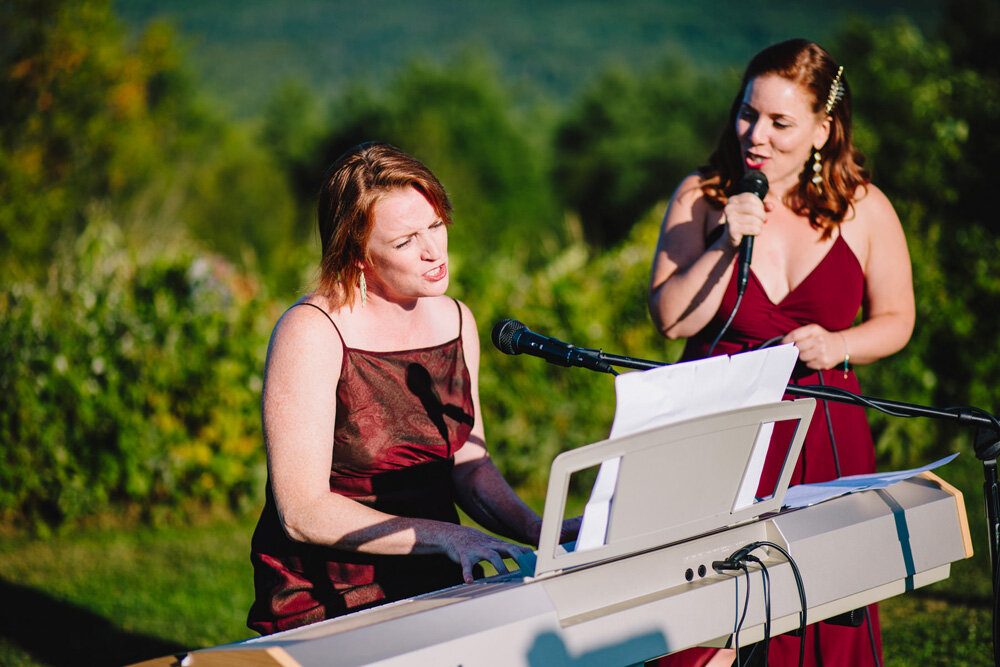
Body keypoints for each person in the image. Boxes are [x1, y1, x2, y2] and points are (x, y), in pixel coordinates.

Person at [647, 40, 914, 666]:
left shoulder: (865, 208)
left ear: (823, 130)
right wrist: (723, 241)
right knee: (703, 619)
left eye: (779, 122)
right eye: (747, 113)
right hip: (720, 426)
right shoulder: (702, 196)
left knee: (820, 607)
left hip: (823, 427)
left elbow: (898, 320)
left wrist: (841, 343)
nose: (755, 135)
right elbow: (669, 318)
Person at [247, 142, 576, 634]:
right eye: (404, 242)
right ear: (358, 255)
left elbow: (467, 462)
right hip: (331, 592)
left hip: (438, 574)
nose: (433, 251)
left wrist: (539, 530)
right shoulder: (312, 331)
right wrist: (448, 536)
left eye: (436, 226)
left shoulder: (455, 318)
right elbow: (302, 511)